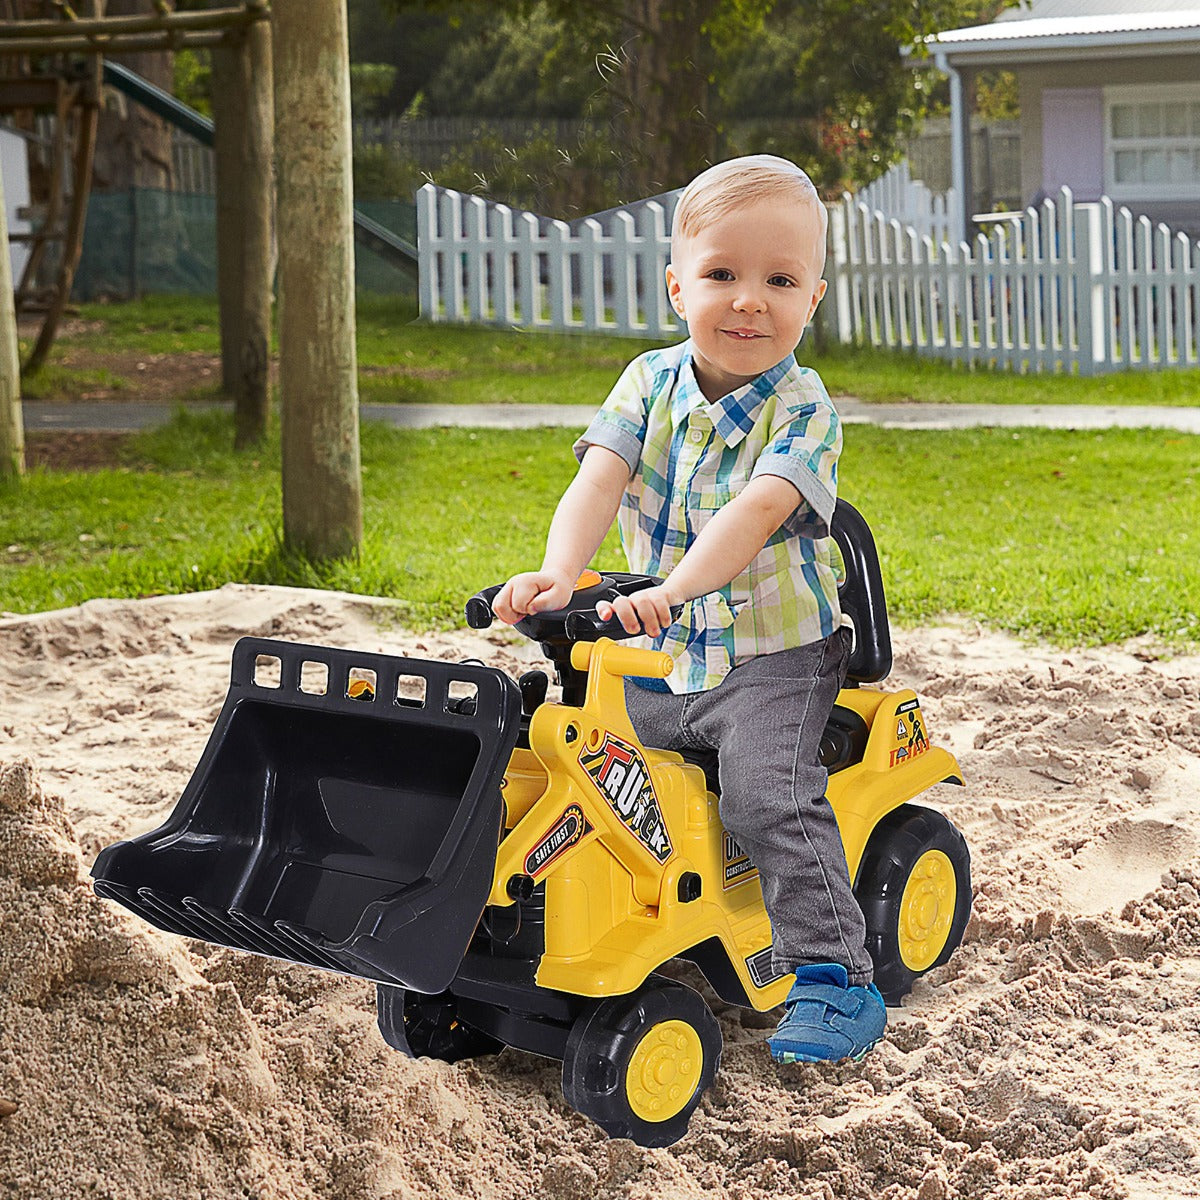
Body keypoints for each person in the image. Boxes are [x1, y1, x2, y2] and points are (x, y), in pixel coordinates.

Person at [492, 155, 885, 1064]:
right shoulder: (647, 382)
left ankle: (835, 976)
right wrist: (559, 574)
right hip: (660, 656)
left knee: (764, 794)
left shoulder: (804, 409)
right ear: (678, 287)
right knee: (579, 768)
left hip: (772, 658)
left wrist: (672, 591)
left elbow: (754, 513)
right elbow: (599, 480)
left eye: (779, 280)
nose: (749, 301)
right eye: (722, 274)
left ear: (814, 299)